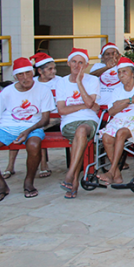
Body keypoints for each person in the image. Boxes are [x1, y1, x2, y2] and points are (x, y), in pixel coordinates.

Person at [0, 58, 54, 200]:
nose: (25, 78)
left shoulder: (43, 90)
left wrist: (27, 131)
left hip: (33, 127)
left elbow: (45, 119)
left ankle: (29, 182)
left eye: (28, 73)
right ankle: (1, 185)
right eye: (21, 75)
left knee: (34, 144)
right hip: (7, 127)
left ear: (33, 72)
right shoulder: (7, 92)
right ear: (15, 77)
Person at [96, 58, 134, 187]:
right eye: (119, 72)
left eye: (124, 72)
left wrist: (127, 100)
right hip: (120, 119)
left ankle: (111, 171)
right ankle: (116, 174)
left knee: (121, 133)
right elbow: (111, 112)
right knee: (106, 137)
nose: (121, 75)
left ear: (133, 73)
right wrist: (130, 101)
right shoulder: (117, 90)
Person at [57, 49, 101, 199]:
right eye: (74, 62)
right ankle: (73, 179)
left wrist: (79, 83)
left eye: (81, 62)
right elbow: (62, 110)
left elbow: (91, 103)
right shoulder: (61, 82)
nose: (77, 65)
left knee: (82, 130)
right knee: (79, 134)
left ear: (86, 65)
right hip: (69, 123)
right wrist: (85, 106)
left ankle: (71, 176)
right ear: (68, 63)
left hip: (89, 122)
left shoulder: (92, 81)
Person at [90, 42, 122, 107]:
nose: (111, 56)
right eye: (107, 54)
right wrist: (107, 67)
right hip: (100, 105)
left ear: (119, 55)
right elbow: (90, 77)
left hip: (118, 105)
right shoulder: (97, 66)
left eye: (113, 53)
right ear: (102, 57)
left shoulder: (124, 66)